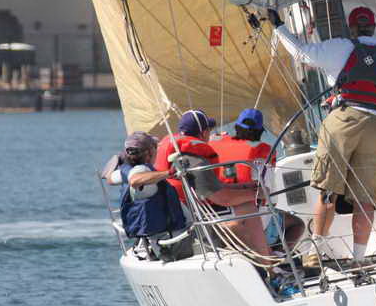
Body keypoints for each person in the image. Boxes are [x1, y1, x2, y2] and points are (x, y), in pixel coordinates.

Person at [274, 5, 376, 267]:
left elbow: (301, 53)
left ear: (352, 27)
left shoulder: (340, 47)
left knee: (328, 190)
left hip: (343, 119)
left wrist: (279, 27)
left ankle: (316, 253)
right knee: (366, 198)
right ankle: (358, 259)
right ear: (374, 27)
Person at [154, 109, 272, 256]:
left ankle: (262, 256)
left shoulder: (180, 154)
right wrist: (256, 194)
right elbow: (222, 198)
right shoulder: (194, 160)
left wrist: (243, 187)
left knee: (244, 206)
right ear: (204, 133)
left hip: (179, 216)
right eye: (209, 130)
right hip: (192, 225)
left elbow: (210, 188)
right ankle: (267, 262)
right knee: (247, 207)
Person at [209, 107, 305, 250]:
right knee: (297, 224)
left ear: (236, 127)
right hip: (253, 222)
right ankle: (278, 257)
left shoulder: (213, 148)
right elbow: (272, 199)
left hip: (216, 219)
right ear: (260, 132)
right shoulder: (260, 156)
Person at [108, 131, 189, 260]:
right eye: (155, 147)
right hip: (173, 243)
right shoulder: (142, 170)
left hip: (157, 240)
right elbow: (135, 180)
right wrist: (169, 173)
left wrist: (118, 160)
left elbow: (109, 178)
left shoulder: (125, 171)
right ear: (149, 153)